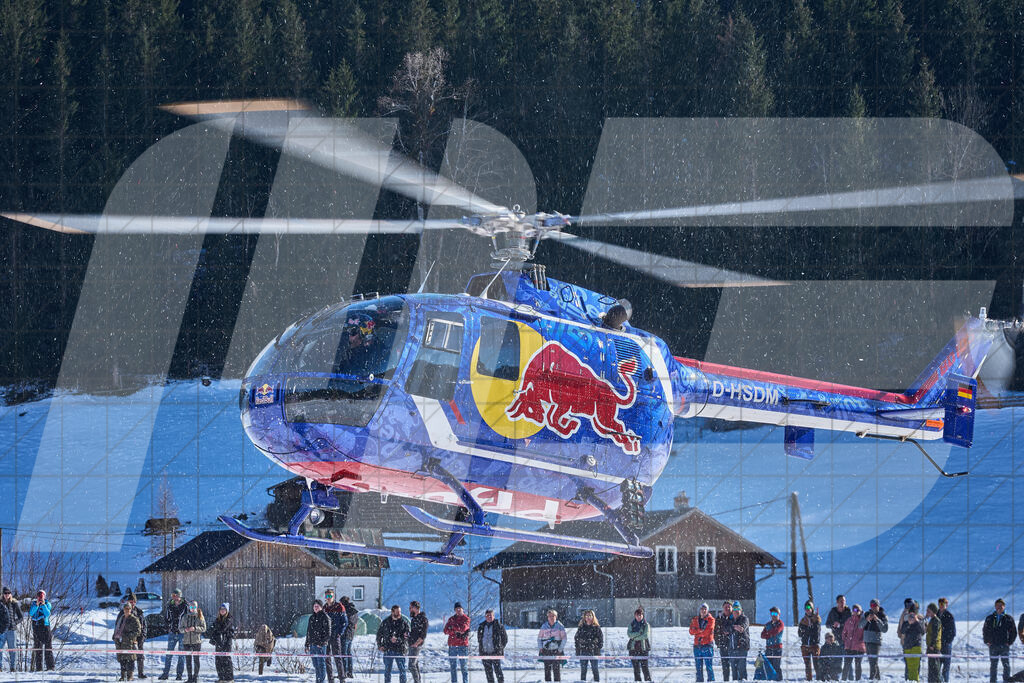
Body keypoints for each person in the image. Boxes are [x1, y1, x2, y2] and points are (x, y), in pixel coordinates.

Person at [983, 598, 1017, 683]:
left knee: (1006, 665)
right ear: (995, 606)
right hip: (993, 645)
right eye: (998, 605)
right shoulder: (990, 618)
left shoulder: (1008, 618)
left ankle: (1007, 680)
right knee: (993, 665)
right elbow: (985, 630)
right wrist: (987, 641)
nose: (999, 607)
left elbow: (1013, 632)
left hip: (1004, 645)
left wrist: (1009, 642)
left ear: (1004, 607)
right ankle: (993, 681)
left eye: (1001, 606)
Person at [158, 588, 188, 680]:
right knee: (169, 654)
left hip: (182, 633)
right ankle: (165, 673)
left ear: (179, 596)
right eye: (173, 596)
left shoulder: (185, 606)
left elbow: (189, 618)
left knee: (181, 655)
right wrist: (168, 627)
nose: (174, 597)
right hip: (172, 633)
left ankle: (179, 675)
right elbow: (166, 619)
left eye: (176, 595)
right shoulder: (170, 606)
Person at [376, 604, 409, 683]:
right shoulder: (386, 622)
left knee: (402, 670)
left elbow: (407, 636)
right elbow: (379, 634)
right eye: (397, 612)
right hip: (388, 649)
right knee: (387, 671)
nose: (399, 613)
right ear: (392, 612)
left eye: (400, 612)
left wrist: (398, 640)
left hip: (400, 649)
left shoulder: (403, 623)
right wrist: (380, 645)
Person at [323, 589, 348, 683]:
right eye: (327, 596)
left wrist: (339, 633)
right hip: (326, 636)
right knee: (326, 657)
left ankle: (342, 678)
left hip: (335, 635)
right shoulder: (324, 608)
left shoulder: (339, 607)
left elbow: (345, 622)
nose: (328, 598)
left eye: (330, 596)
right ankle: (330, 678)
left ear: (334, 597)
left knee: (337, 657)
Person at [478, 608, 508, 683]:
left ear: (493, 616)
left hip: (495, 653)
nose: (489, 617)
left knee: (498, 671)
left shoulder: (498, 625)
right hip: (485, 653)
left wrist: (500, 648)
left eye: (490, 615)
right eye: (487, 615)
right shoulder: (482, 626)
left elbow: (505, 639)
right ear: (485, 616)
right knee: (488, 673)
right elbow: (479, 639)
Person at [115, 601, 143, 681]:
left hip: (130, 643)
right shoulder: (121, 618)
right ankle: (123, 676)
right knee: (122, 660)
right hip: (120, 643)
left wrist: (128, 636)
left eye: (128, 608)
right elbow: (117, 628)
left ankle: (130, 676)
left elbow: (138, 631)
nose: (126, 610)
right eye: (125, 609)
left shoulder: (134, 619)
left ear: (130, 609)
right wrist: (115, 636)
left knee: (130, 660)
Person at [860, 599, 887, 680]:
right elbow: (860, 626)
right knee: (872, 662)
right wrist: (867, 619)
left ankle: (872, 678)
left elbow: (885, 629)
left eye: (875, 605)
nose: (873, 607)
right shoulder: (867, 614)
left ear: (878, 606)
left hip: (875, 641)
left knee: (873, 662)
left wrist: (877, 620)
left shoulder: (882, 615)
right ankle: (877, 679)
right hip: (867, 640)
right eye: (872, 606)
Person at [444, 602, 471, 683]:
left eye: (459, 608)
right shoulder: (451, 619)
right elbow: (445, 631)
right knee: (453, 667)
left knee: (464, 667)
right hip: (452, 645)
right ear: (455, 610)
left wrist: (453, 627)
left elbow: (463, 629)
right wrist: (455, 631)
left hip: (462, 646)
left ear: (462, 609)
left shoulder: (466, 619)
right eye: (456, 609)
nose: (458, 610)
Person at [179, 601, 205, 683]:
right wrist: (185, 630)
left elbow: (204, 628)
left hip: (196, 642)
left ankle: (195, 678)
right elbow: (180, 628)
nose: (192, 608)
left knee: (196, 660)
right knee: (188, 661)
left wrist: (195, 628)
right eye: (191, 607)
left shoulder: (200, 616)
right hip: (186, 642)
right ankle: (190, 678)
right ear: (189, 607)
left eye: (194, 607)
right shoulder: (185, 617)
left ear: (196, 608)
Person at [29, 589, 54, 671]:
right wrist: (36, 605)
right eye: (39, 596)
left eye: (41, 596)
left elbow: (47, 614)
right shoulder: (33, 604)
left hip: (45, 627)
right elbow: (31, 613)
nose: (40, 598)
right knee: (38, 648)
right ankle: (39, 668)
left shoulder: (47, 604)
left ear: (44, 597)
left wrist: (43, 605)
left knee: (48, 647)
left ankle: (50, 667)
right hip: (36, 627)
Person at [538, 608, 566, 682]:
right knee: (547, 669)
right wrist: (540, 647)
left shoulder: (560, 626)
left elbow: (564, 639)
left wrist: (560, 649)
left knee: (556, 669)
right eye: (549, 616)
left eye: (553, 616)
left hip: (556, 650)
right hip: (546, 650)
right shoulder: (544, 626)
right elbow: (539, 638)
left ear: (556, 617)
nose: (551, 618)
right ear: (547, 617)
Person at [898, 603, 925, 682]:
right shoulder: (906, 622)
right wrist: (908, 624)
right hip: (907, 647)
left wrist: (916, 621)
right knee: (909, 669)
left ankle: (916, 681)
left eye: (913, 614)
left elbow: (923, 631)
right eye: (910, 614)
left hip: (916, 646)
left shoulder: (920, 621)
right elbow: (902, 631)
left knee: (915, 669)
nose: (912, 616)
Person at [209, 602, 235, 682]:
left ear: (227, 610)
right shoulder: (217, 619)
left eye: (224, 609)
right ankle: (221, 678)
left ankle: (229, 678)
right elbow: (211, 629)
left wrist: (215, 629)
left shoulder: (229, 618)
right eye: (221, 609)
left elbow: (223, 628)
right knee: (218, 660)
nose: (222, 610)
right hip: (219, 642)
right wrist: (214, 630)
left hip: (226, 642)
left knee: (226, 660)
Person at [307, 600, 332, 683]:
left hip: (321, 645)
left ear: (321, 607)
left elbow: (328, 633)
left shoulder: (325, 617)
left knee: (321, 664)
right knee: (315, 664)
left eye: (317, 606)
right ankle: (318, 680)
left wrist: (322, 643)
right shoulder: (312, 617)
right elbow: (308, 632)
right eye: (314, 606)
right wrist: (307, 644)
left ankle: (321, 680)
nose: (316, 608)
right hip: (312, 644)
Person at [574, 609, 602, 682]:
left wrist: (597, 648)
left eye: (590, 615)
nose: (588, 617)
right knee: (583, 670)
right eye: (587, 615)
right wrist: (578, 649)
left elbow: (600, 640)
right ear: (584, 617)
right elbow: (576, 639)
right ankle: (583, 681)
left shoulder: (596, 627)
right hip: (583, 650)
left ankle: (597, 681)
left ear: (593, 616)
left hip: (593, 651)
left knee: (595, 669)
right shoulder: (581, 627)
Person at [690, 602, 716, 682]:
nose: (703, 610)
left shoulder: (711, 619)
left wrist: (697, 632)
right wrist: (700, 631)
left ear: (707, 610)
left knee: (709, 667)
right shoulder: (695, 619)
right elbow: (691, 631)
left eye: (705, 609)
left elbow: (707, 632)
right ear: (699, 610)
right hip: (697, 646)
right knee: (698, 667)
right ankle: (699, 681)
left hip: (707, 646)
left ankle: (711, 681)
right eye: (702, 609)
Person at [798, 600, 822, 681]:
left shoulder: (816, 618)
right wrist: (805, 629)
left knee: (816, 665)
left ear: (812, 608)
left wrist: (812, 624)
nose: (807, 609)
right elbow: (800, 633)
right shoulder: (803, 620)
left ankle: (819, 680)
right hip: (805, 646)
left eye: (809, 607)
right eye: (806, 608)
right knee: (807, 666)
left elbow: (816, 632)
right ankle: (809, 680)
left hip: (814, 645)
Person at [841, 603, 865, 680]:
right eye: (854, 609)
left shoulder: (863, 621)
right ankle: (843, 680)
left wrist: (861, 642)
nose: (855, 611)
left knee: (858, 665)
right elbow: (844, 632)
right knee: (846, 665)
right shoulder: (849, 620)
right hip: (849, 647)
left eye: (857, 610)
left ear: (861, 611)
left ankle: (858, 680)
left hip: (859, 647)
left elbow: (865, 633)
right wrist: (846, 641)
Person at [627, 607, 652, 682]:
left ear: (643, 616)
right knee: (636, 668)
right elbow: (629, 634)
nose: (639, 617)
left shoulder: (646, 625)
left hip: (643, 648)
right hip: (633, 649)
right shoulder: (631, 624)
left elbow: (645, 635)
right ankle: (638, 681)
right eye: (637, 615)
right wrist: (638, 634)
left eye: (640, 615)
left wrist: (635, 637)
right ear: (635, 615)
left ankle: (648, 681)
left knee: (645, 668)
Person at [1, 587, 23, 673]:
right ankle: (0, 668)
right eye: (5, 593)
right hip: (1, 631)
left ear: (11, 594)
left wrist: (14, 622)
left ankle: (13, 668)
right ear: (3, 594)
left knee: (12, 649)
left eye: (8, 593)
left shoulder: (14, 603)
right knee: (0, 649)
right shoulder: (0, 603)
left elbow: (21, 617)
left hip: (11, 630)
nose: (7, 594)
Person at [760, 606, 784, 681]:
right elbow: (762, 635)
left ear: (779, 614)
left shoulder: (780, 623)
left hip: (777, 648)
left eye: (775, 613)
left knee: (776, 666)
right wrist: (768, 634)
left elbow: (775, 632)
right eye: (772, 613)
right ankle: (771, 680)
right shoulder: (768, 624)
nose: (773, 615)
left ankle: (779, 680)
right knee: (769, 666)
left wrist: (768, 634)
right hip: (769, 648)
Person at [127, 593, 148, 679]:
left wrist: (143, 635)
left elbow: (144, 625)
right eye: (130, 601)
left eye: (133, 602)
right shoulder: (124, 611)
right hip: (128, 638)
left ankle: (140, 673)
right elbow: (119, 624)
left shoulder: (139, 612)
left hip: (139, 637)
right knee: (129, 657)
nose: (132, 603)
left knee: (140, 656)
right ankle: (129, 675)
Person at [729, 602, 750, 681]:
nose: (736, 611)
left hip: (742, 648)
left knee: (742, 671)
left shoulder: (744, 618)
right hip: (732, 649)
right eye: (734, 609)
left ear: (741, 610)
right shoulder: (730, 620)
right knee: (734, 671)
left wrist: (734, 628)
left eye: (738, 609)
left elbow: (742, 628)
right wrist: (734, 627)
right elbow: (725, 629)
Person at [408, 601, 428, 683]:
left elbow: (423, 634)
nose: (409, 610)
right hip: (411, 644)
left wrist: (416, 644)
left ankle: (417, 681)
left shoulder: (423, 619)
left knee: (411, 665)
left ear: (416, 608)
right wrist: (408, 635)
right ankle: (418, 680)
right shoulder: (413, 619)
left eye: (411, 608)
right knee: (415, 664)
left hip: (417, 645)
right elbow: (413, 632)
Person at [936, 598, 955, 682]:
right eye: (940, 604)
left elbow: (953, 632)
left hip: (946, 645)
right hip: (937, 645)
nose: (941, 606)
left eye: (943, 604)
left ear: (946, 605)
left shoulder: (949, 615)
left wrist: (947, 642)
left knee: (945, 669)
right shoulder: (936, 615)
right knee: (936, 668)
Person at [715, 601, 734, 682]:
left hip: (733, 645)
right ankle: (726, 681)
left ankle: (735, 681)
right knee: (725, 666)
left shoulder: (735, 617)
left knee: (734, 666)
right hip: (723, 645)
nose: (727, 608)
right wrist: (718, 642)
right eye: (725, 607)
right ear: (723, 608)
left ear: (732, 608)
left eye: (729, 607)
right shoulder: (719, 618)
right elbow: (715, 631)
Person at [340, 596, 358, 679]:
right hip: (351, 634)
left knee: (344, 654)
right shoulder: (354, 611)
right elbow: (354, 624)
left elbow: (345, 623)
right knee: (348, 654)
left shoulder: (346, 611)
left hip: (345, 634)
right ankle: (350, 672)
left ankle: (345, 672)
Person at [925, 603, 943, 683]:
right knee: (932, 669)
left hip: (934, 648)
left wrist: (932, 645)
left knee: (935, 670)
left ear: (933, 611)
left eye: (928, 611)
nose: (927, 612)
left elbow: (935, 634)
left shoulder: (936, 621)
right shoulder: (932, 620)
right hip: (932, 647)